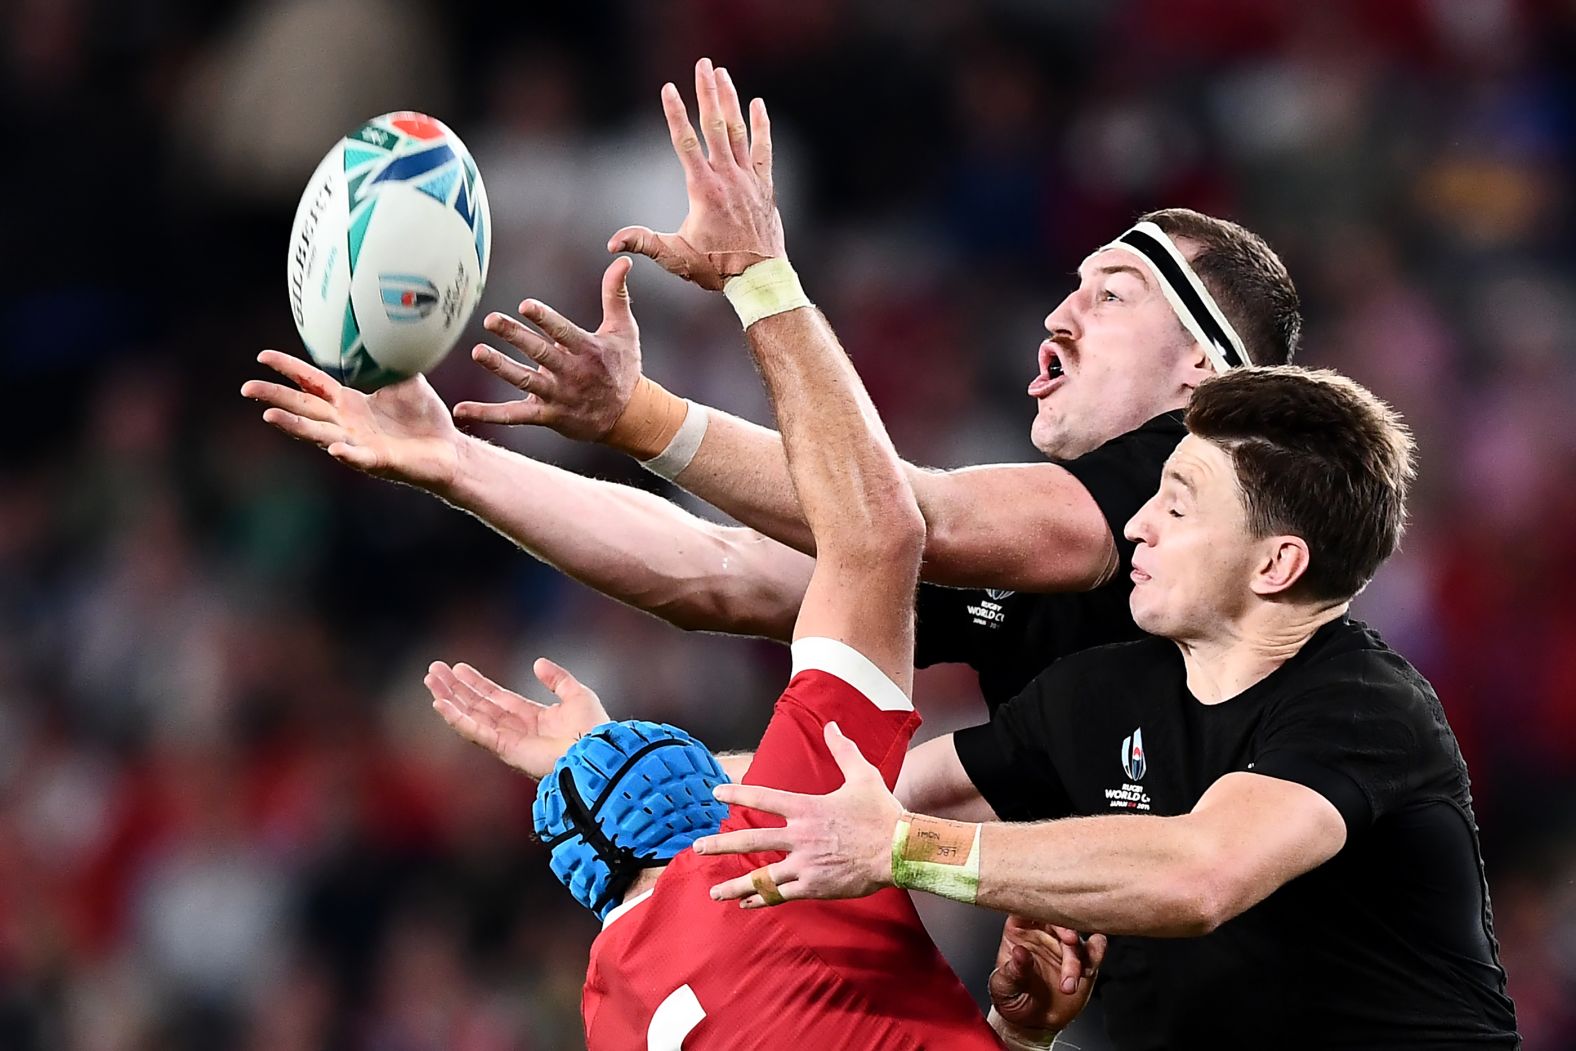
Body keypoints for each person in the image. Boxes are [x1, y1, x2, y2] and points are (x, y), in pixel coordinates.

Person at [242, 58, 1302, 710]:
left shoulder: (1185, 494)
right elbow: (721, 572)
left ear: (1202, 367)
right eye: (1071, 284)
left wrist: (671, 383)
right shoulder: (1049, 572)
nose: (1059, 312)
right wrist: (458, 465)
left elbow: (895, 513)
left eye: (1110, 292)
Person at [423, 88, 1096, 1047]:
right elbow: (874, 535)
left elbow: (722, 568)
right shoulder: (773, 854)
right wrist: (757, 273)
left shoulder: (611, 1011)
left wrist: (459, 465)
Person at [687, 365, 1521, 1049]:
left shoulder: (1365, 707)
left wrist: (908, 848)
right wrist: (623, 765)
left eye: (1179, 503)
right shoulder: (1101, 692)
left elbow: (1199, 873)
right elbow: (848, 795)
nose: (1138, 525)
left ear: (1276, 565)